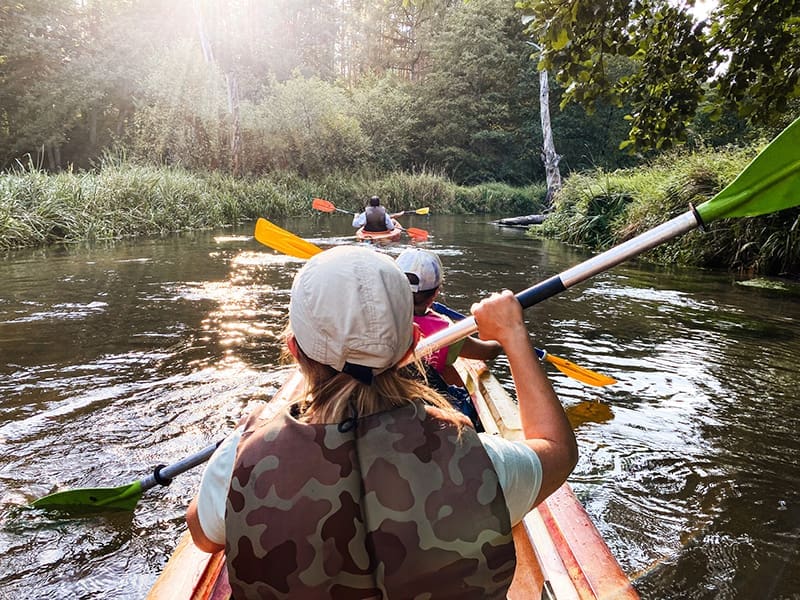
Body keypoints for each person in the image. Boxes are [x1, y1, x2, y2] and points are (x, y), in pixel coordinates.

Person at [186, 245, 577, 599]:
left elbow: (203, 536)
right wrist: (513, 334)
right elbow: (557, 450)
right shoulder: (477, 456)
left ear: (294, 351)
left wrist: (246, 435)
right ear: (411, 345)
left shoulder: (243, 458)